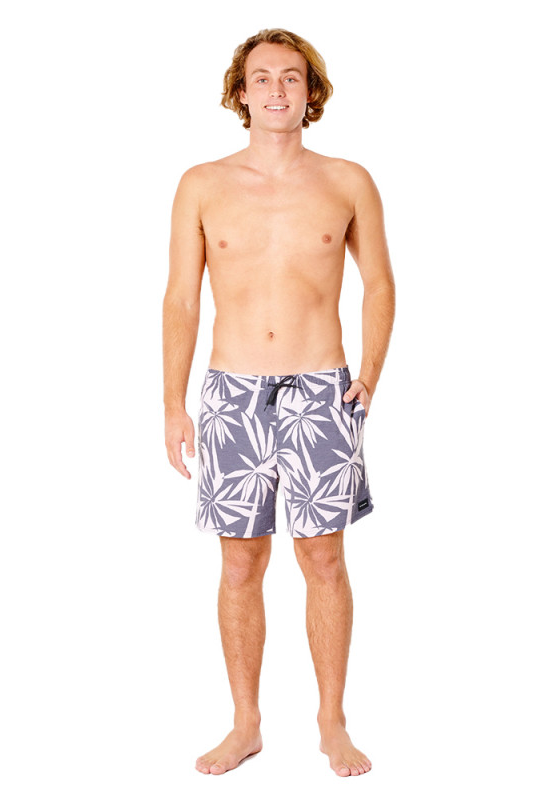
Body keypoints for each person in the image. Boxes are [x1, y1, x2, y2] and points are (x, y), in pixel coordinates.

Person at [162, 28, 395, 778]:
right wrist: (173, 403)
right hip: (232, 393)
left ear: (310, 92)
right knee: (240, 563)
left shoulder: (348, 181)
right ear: (240, 93)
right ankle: (246, 722)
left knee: (324, 556)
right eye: (260, 78)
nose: (275, 90)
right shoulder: (202, 184)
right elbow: (180, 299)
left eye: (290, 77)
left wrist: (369, 374)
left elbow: (381, 283)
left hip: (322, 390)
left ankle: (332, 721)